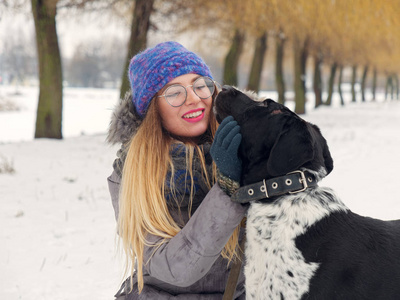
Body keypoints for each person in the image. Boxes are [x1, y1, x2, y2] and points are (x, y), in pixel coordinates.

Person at [107, 41, 247, 299]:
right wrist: (227, 187)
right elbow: (175, 269)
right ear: (153, 110)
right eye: (174, 93)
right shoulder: (132, 173)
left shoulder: (245, 149)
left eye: (200, 85)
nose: (194, 99)